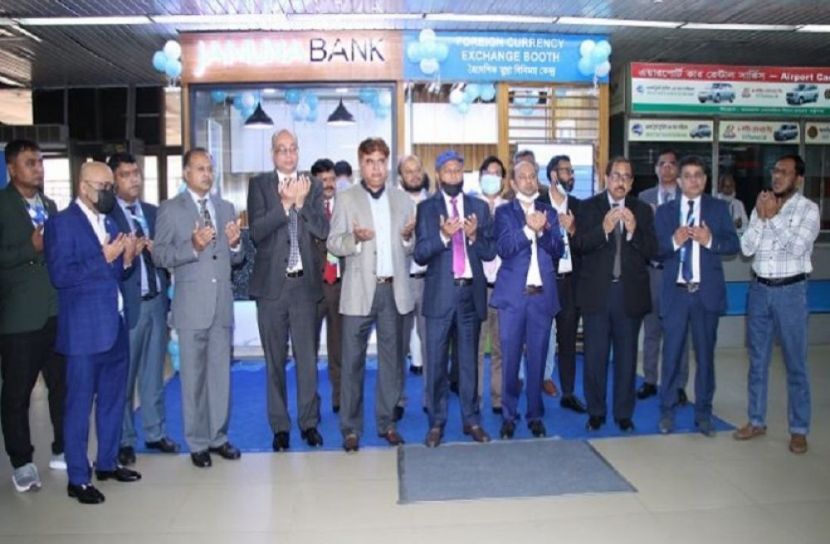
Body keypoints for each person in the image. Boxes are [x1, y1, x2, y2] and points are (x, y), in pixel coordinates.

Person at [44, 161, 141, 504]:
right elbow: (60, 275)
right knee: (79, 406)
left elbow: (116, 274)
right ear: (84, 187)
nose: (109, 193)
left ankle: (107, 462)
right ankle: (78, 478)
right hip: (83, 332)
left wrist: (126, 260)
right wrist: (104, 257)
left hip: (114, 325)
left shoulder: (109, 221)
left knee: (114, 400)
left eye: (111, 187)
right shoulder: (61, 224)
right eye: (103, 187)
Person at [154, 148, 244, 468]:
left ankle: (218, 437)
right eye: (200, 168)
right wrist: (191, 246)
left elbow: (235, 258)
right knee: (192, 379)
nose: (207, 174)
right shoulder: (170, 209)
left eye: (210, 168)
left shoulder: (225, 207)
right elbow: (159, 255)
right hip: (191, 306)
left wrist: (235, 243)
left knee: (220, 377)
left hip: (221, 305)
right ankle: (197, 442)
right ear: (186, 173)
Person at [327, 137, 415, 452]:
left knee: (392, 362)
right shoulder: (346, 198)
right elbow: (333, 243)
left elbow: (411, 247)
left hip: (393, 290)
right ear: (360, 165)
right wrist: (355, 239)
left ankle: (387, 423)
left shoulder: (403, 200)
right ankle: (351, 429)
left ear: (387, 164)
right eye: (369, 162)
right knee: (352, 362)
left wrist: (407, 239)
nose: (376, 168)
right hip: (358, 292)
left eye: (380, 161)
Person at [247, 130, 328, 451]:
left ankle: (309, 423)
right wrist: (284, 205)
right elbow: (257, 232)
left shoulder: (313, 185)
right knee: (275, 361)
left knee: (307, 360)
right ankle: (280, 426)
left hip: (304, 287)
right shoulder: (259, 185)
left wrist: (302, 203)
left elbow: (322, 229)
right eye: (282, 149)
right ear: (273, 154)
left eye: (293, 148)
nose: (288, 154)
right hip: (271, 288)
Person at [735, 154, 819, 454]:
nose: (777, 176)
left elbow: (797, 248)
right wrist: (761, 217)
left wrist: (772, 218)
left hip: (790, 292)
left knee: (795, 364)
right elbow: (746, 248)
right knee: (757, 361)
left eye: (785, 172)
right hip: (759, 290)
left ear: (799, 179)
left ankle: (799, 430)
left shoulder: (809, 210)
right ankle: (756, 420)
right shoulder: (762, 203)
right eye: (775, 171)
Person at [414, 150, 496, 448]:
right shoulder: (427, 209)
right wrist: (444, 237)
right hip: (439, 297)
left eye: (457, 170)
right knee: (436, 364)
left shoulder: (479, 207)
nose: (453, 174)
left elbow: (489, 252)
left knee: (468, 364)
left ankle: (471, 420)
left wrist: (474, 236)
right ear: (438, 175)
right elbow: (420, 254)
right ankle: (436, 423)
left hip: (469, 295)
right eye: (447, 170)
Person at [654, 156, 739, 435]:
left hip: (705, 294)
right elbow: (654, 251)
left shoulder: (718, 208)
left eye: (698, 175)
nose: (693, 180)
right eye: (687, 175)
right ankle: (667, 413)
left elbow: (732, 245)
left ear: (705, 180)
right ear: (679, 181)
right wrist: (674, 241)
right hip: (676, 295)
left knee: (705, 358)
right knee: (671, 357)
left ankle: (703, 414)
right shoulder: (665, 212)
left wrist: (709, 240)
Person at [0, 139, 66, 493]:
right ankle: (22, 461)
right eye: (30, 163)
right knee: (17, 394)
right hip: (20, 318)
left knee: (62, 386)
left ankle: (62, 448)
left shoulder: (50, 205)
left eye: (40, 162)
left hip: (56, 312)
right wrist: (31, 247)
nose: (38, 169)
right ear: (11, 168)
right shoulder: (3, 206)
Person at [573, 157, 656, 432]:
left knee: (626, 359)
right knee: (594, 359)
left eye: (626, 177)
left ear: (631, 183)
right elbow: (579, 244)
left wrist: (633, 232)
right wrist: (604, 230)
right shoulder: (588, 207)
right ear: (606, 178)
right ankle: (595, 412)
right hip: (597, 294)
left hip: (629, 295)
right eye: (616, 175)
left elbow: (652, 251)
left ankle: (623, 414)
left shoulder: (642, 210)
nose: (621, 181)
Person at [107, 153, 179, 467]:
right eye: (125, 174)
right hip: (129, 306)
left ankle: (154, 431)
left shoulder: (152, 212)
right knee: (124, 377)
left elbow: (167, 254)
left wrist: (155, 251)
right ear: (113, 181)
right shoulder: (108, 216)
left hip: (157, 302)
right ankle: (124, 439)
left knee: (154, 373)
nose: (134, 179)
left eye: (136, 173)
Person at [491, 159, 563, 439]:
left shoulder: (548, 211)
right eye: (523, 176)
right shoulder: (504, 212)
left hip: (541, 298)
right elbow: (504, 248)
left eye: (533, 176)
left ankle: (535, 415)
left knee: (537, 360)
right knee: (510, 360)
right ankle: (509, 415)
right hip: (513, 299)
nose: (529, 181)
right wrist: (527, 230)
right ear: (513, 183)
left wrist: (542, 231)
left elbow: (557, 250)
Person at [637, 149, 690, 404]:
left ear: (677, 169)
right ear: (656, 169)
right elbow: (637, 235)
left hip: (678, 274)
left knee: (678, 333)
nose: (667, 167)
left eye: (671, 164)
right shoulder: (644, 198)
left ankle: (679, 385)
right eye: (662, 164)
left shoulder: (689, 198)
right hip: (652, 274)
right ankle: (649, 380)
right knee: (651, 331)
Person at [538, 154, 587, 414]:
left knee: (567, 341)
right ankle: (535, 388)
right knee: (539, 339)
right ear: (553, 175)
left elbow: (587, 246)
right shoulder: (538, 205)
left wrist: (574, 230)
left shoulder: (579, 206)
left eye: (572, 170)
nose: (571, 176)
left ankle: (568, 393)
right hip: (545, 284)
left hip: (571, 283)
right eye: (566, 171)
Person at [397, 154, 429, 418]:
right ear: (401, 177)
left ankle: (431, 399)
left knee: (432, 344)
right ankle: (396, 400)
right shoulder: (392, 203)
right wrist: (405, 236)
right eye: (408, 171)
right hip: (401, 282)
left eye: (417, 169)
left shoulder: (435, 203)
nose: (414, 175)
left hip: (430, 282)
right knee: (398, 345)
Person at [311, 158, 343, 415]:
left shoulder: (346, 207)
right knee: (308, 351)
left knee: (339, 347)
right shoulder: (305, 209)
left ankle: (340, 397)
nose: (329, 184)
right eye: (323, 180)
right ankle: (311, 401)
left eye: (332, 179)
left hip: (342, 286)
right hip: (312, 288)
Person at [477, 155, 507, 414]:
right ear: (480, 178)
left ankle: (499, 398)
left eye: (497, 174)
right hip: (477, 288)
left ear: (504, 180)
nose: (492, 178)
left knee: (501, 347)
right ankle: (474, 398)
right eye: (488, 173)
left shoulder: (511, 209)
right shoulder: (471, 207)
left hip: (504, 288)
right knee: (475, 348)